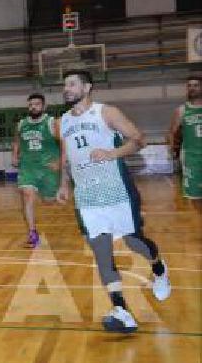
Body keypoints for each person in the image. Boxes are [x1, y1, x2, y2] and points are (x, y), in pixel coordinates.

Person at [56, 70, 170, 333]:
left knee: (134, 241)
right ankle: (121, 310)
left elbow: (139, 139)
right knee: (102, 254)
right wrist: (63, 183)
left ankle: (159, 268)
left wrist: (112, 153)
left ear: (87, 88)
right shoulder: (62, 121)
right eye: (65, 85)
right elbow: (66, 156)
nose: (67, 89)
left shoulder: (106, 112)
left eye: (72, 84)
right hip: (86, 197)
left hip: (117, 191)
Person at [11, 94, 62, 248]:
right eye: (31, 104)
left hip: (48, 168)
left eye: (37, 104)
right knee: (27, 195)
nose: (33, 107)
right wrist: (15, 155)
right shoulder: (22, 124)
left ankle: (45, 194)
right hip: (28, 167)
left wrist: (60, 161)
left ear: (44, 106)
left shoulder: (52, 123)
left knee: (49, 201)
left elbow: (64, 143)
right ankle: (33, 233)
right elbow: (17, 140)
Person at [167, 75, 202, 212]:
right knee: (195, 196)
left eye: (196, 85)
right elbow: (171, 132)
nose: (192, 88)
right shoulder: (181, 110)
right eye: (189, 86)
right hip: (191, 157)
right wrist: (172, 148)